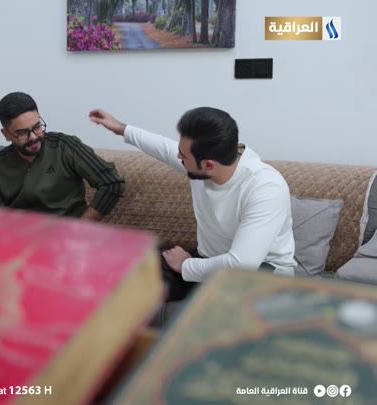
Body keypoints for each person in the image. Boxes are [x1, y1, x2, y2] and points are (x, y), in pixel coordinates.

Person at [89, 107, 296, 303]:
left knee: (217, 312)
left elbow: (242, 264)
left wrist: (185, 265)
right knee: (127, 287)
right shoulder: (207, 163)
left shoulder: (265, 188)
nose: (178, 157)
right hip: (209, 260)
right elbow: (164, 149)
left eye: (183, 155)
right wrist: (121, 128)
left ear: (209, 165)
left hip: (261, 274)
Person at [0, 92, 125, 221]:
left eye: (37, 127)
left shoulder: (65, 147)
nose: (33, 137)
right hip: (23, 239)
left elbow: (112, 183)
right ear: (6, 134)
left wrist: (81, 227)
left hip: (70, 236)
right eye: (23, 133)